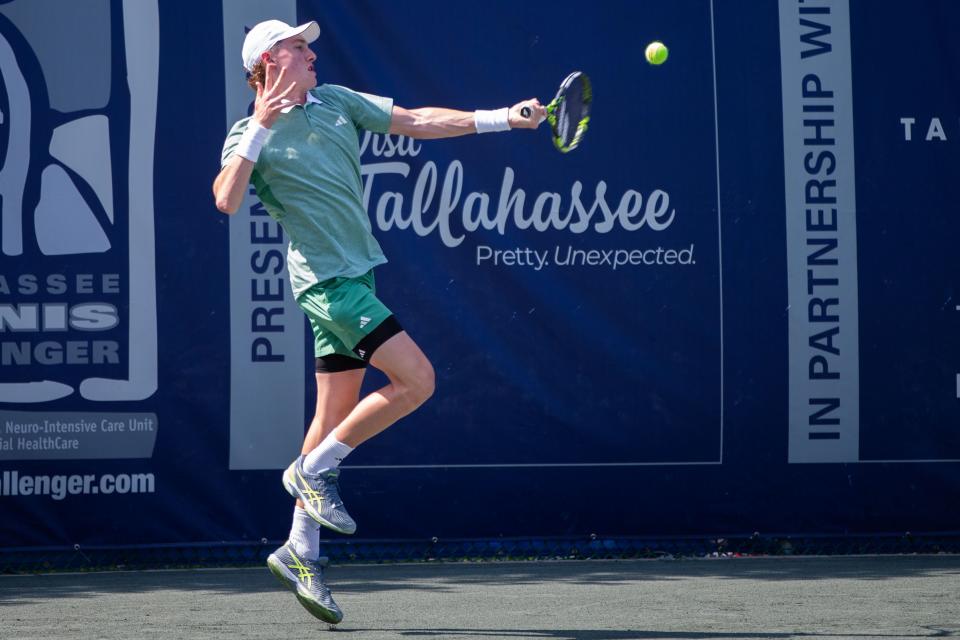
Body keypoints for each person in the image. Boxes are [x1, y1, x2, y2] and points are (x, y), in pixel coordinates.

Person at [213, 19, 545, 624]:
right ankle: (309, 472)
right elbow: (226, 198)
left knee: (332, 415)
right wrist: (259, 125)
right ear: (268, 62)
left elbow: (416, 120)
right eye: (297, 46)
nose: (312, 52)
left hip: (358, 276)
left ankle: (300, 551)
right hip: (328, 285)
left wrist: (505, 117)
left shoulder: (336, 101)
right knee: (418, 381)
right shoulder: (248, 131)